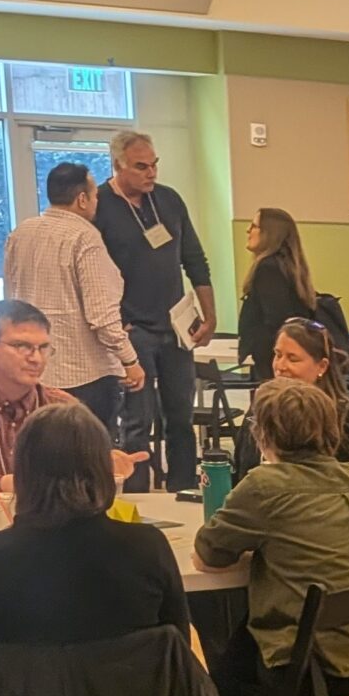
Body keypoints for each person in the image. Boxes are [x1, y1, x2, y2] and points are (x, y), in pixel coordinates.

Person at [193, 378, 349, 696]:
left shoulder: (264, 485)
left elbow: (207, 556)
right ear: (332, 431)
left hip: (325, 672)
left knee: (242, 648)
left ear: (262, 434)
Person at [0, 403, 187, 647]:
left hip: (21, 685)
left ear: (23, 472)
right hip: (132, 683)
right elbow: (177, 645)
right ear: (101, 470)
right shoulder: (147, 547)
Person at [91, 129, 216, 489]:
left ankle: (183, 488)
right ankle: (138, 494)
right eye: (141, 166)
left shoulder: (169, 200)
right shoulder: (100, 205)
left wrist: (209, 314)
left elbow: (194, 260)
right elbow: (91, 275)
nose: (151, 173)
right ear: (118, 165)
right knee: (136, 421)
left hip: (176, 326)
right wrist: (115, 326)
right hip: (133, 331)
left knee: (180, 416)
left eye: (154, 164)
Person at [0, 300, 142, 504]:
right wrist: (24, 484)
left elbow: (81, 481)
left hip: (50, 527)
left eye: (43, 348)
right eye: (22, 346)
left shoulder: (64, 407)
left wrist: (102, 468)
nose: (36, 358)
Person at [1, 161, 144, 435]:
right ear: (82, 199)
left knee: (38, 452)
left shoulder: (20, 233)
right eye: (95, 196)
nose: (96, 202)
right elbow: (101, 316)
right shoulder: (84, 237)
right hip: (83, 376)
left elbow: (10, 300)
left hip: (31, 370)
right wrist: (130, 361)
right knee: (86, 458)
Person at [235, 319, 349, 475]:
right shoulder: (261, 409)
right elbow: (241, 472)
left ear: (322, 366)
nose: (280, 366)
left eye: (293, 359)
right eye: (278, 355)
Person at [235, 207, 318, 382]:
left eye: (254, 226)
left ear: (269, 233)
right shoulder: (289, 267)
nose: (248, 231)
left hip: (272, 356)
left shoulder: (268, 267)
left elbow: (276, 318)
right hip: (291, 351)